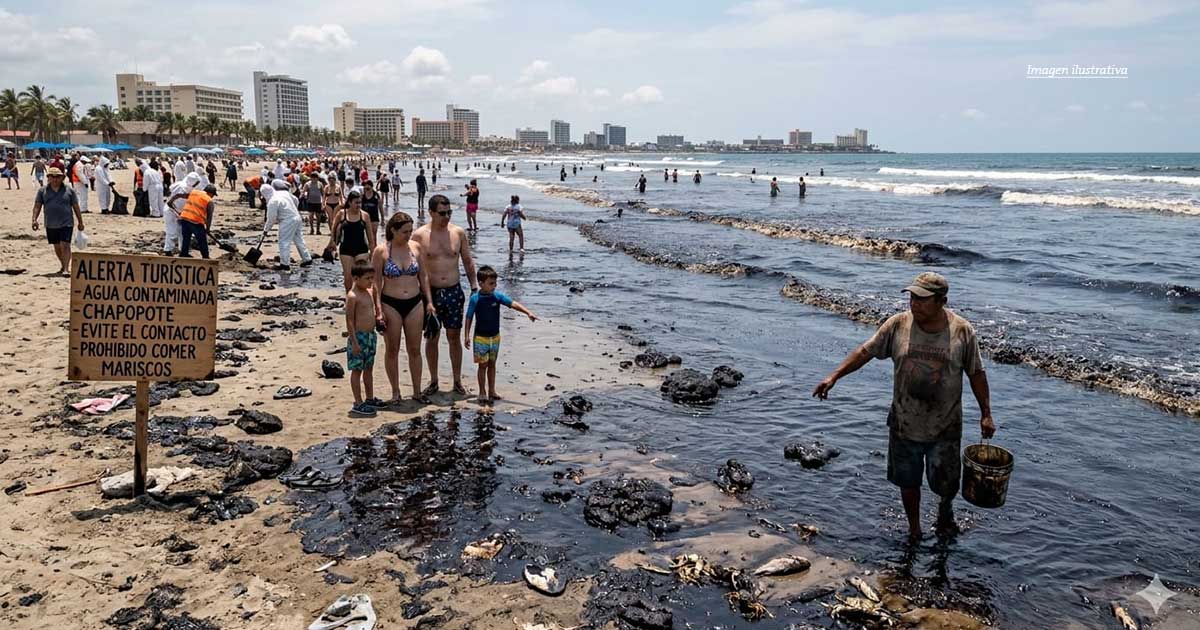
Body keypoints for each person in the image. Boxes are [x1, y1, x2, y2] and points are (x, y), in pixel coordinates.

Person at [812, 272, 994, 541]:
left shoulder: (962, 331)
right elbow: (865, 352)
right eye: (911, 297)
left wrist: (986, 414)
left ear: (942, 301)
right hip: (904, 421)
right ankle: (915, 529)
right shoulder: (898, 325)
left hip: (944, 424)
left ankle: (945, 510)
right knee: (907, 481)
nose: (914, 304)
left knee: (946, 483)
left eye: (922, 299)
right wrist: (834, 376)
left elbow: (976, 373)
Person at [412, 194, 478, 397]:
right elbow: (416, 268)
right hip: (430, 292)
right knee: (432, 336)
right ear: (431, 212)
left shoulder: (458, 232)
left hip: (453, 290)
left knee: (454, 336)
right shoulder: (420, 235)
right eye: (442, 213)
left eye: (449, 212)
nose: (446, 216)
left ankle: (457, 380)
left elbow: (467, 261)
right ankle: (433, 381)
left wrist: (475, 286)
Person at [373, 212, 435, 405]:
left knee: (415, 349)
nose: (409, 235)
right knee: (392, 349)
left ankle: (416, 391)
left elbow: (423, 276)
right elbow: (376, 282)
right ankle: (396, 392)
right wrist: (378, 310)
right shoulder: (381, 251)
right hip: (390, 302)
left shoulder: (415, 248)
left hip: (415, 302)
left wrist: (429, 302)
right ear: (393, 230)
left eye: (410, 231)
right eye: (405, 232)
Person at [464, 265, 538, 405]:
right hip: (480, 338)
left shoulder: (497, 296)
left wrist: (528, 312)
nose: (494, 286)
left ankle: (492, 391)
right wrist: (466, 336)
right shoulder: (475, 299)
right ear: (481, 283)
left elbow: (512, 303)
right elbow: (468, 317)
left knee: (492, 364)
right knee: (482, 366)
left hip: (495, 337)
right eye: (491, 284)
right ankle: (482, 392)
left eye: (495, 283)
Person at [31, 167, 84, 275]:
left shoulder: (69, 190)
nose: (55, 179)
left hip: (66, 223)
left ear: (62, 178)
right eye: (52, 176)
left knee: (65, 244)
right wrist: (34, 219)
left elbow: (76, 206)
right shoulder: (42, 191)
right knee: (57, 246)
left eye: (58, 177)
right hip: (51, 223)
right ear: (48, 178)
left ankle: (66, 269)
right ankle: (63, 264)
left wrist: (80, 222)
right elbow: (37, 206)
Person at [346, 260, 382, 418]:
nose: (370, 281)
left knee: (369, 369)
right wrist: (354, 341)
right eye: (367, 278)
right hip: (358, 337)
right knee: (357, 370)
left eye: (372, 278)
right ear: (355, 278)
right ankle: (358, 402)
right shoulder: (352, 296)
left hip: (370, 336)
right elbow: (349, 320)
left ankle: (369, 397)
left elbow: (373, 309)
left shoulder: (368, 291)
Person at [328, 190, 375, 291]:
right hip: (346, 249)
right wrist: (332, 241)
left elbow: (370, 237)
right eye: (356, 202)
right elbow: (334, 227)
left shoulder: (365, 216)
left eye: (360, 202)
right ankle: (349, 297)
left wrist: (373, 252)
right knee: (348, 276)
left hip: (362, 249)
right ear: (349, 202)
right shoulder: (342, 214)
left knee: (361, 275)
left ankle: (361, 297)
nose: (359, 205)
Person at [262, 179, 313, 270]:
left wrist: (266, 230)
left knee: (284, 242)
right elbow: (296, 199)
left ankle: (285, 264)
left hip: (287, 221)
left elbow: (271, 219)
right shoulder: (283, 193)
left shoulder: (272, 201)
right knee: (299, 239)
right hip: (297, 217)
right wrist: (293, 209)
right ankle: (307, 259)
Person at [177, 185, 218, 259]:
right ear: (210, 193)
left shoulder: (194, 192)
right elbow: (209, 218)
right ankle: (205, 256)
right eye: (213, 195)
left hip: (185, 218)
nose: (213, 197)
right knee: (202, 240)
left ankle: (184, 253)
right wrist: (208, 229)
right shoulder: (209, 201)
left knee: (186, 238)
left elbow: (183, 196)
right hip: (195, 222)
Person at [164, 173, 201, 255]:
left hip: (181, 212)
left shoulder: (189, 187)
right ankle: (168, 250)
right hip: (171, 211)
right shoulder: (180, 187)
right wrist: (178, 213)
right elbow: (171, 202)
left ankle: (183, 251)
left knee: (183, 232)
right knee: (172, 232)